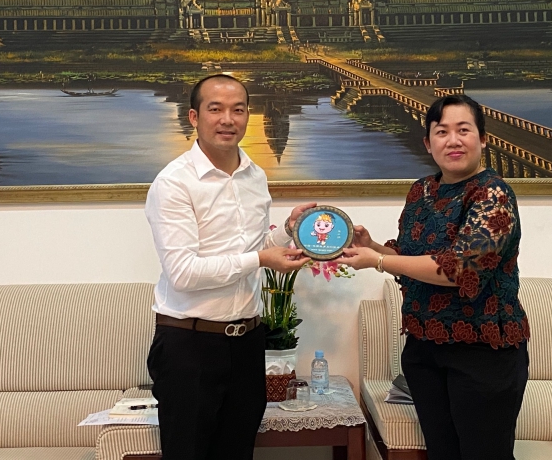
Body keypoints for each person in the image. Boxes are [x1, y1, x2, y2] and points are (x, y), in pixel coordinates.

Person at [338, 93, 530, 460]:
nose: (453, 141)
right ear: (428, 143)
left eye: (463, 130)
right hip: (424, 348)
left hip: (482, 354)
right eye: (442, 132)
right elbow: (413, 259)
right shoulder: (421, 190)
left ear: (483, 139)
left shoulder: (493, 194)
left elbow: (460, 269)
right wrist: (373, 246)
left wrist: (379, 262)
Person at [145, 74, 314, 460]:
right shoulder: (174, 183)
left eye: (238, 110)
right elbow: (184, 272)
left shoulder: (255, 176)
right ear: (194, 117)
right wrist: (261, 260)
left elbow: (255, 249)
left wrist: (288, 232)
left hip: (248, 343)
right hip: (189, 344)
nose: (227, 119)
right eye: (215, 109)